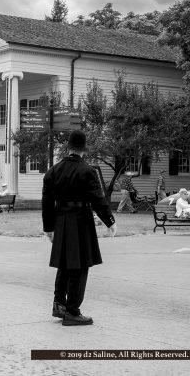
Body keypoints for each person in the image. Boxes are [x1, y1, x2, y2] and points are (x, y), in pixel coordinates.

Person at [42, 130, 116, 326]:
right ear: (84, 150)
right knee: (80, 265)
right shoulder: (87, 171)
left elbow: (47, 202)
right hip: (81, 221)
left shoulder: (53, 171)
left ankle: (59, 304)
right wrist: (109, 221)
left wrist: (48, 227)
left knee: (64, 264)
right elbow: (98, 199)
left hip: (61, 220)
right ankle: (73, 311)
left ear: (68, 148)